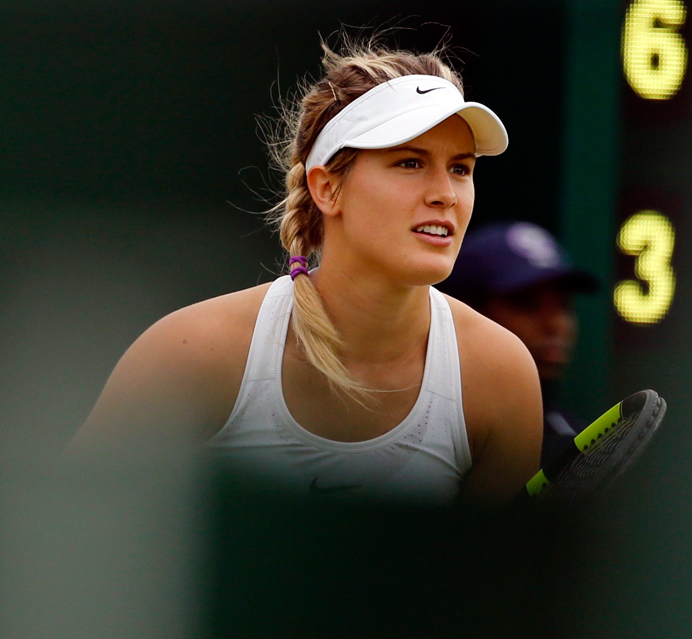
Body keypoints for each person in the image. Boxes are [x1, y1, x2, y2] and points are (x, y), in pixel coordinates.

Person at [69, 39, 542, 503]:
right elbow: (64, 526)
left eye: (460, 169)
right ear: (327, 189)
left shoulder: (501, 376)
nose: (446, 194)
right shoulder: (192, 354)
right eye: (410, 162)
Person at [437, 222, 598, 465]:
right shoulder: (413, 428)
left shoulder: (576, 443)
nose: (555, 325)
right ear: (465, 309)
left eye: (563, 306)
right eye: (526, 304)